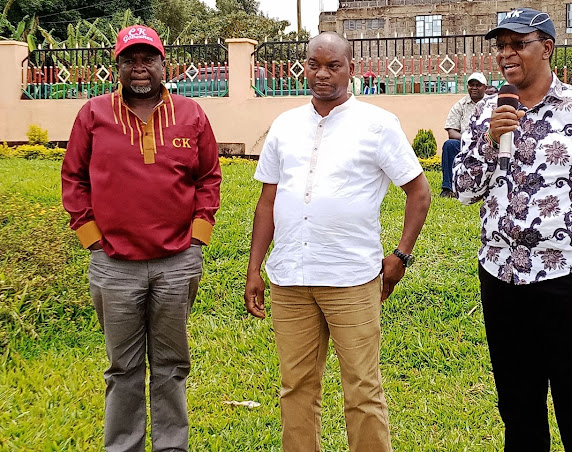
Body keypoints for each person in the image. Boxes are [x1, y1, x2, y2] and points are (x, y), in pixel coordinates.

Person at [453, 9, 572, 451]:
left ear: (547, 47)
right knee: (517, 401)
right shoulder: (486, 110)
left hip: (570, 276)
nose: (506, 54)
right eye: (501, 46)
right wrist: (488, 141)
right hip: (501, 274)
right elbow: (465, 191)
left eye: (518, 44)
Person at [244, 32, 431, 452]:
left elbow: (419, 192)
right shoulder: (285, 124)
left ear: (351, 69)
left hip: (350, 277)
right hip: (290, 277)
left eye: (333, 66)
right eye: (314, 64)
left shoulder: (378, 125)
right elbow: (267, 200)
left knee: (362, 388)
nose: (322, 73)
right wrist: (255, 268)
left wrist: (401, 254)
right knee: (296, 386)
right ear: (303, 66)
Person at [61, 25, 221, 451]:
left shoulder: (191, 114)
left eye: (147, 58)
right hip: (113, 265)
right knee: (123, 368)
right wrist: (92, 238)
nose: (139, 68)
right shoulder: (93, 114)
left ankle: (171, 446)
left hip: (176, 262)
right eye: (130, 60)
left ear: (164, 64)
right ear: (116, 67)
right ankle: (123, 446)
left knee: (170, 365)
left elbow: (209, 178)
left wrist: (198, 238)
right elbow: (73, 179)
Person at [440, 72, 487, 197]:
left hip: (488, 143)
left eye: (478, 85)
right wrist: (469, 139)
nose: (474, 88)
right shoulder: (460, 105)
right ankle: (449, 188)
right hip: (465, 143)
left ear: (485, 88)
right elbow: (451, 131)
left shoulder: (492, 104)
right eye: (471, 85)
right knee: (449, 145)